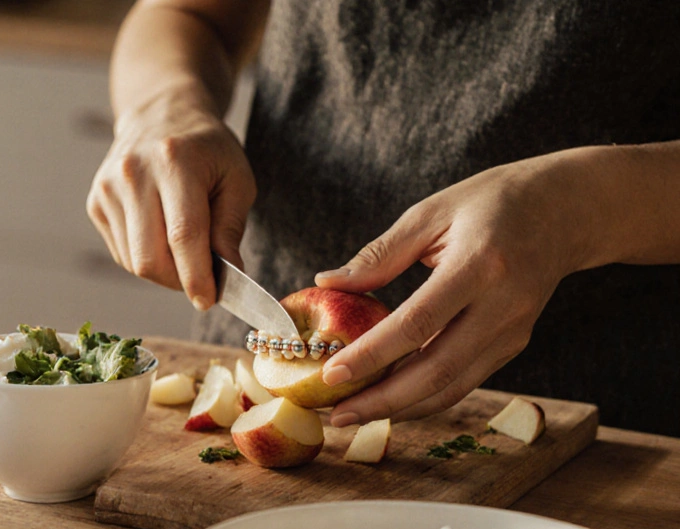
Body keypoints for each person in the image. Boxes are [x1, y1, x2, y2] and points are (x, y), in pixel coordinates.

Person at [87, 0, 680, 437]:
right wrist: (161, 107)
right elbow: (190, 13)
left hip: (603, 420)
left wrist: (573, 210)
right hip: (267, 374)